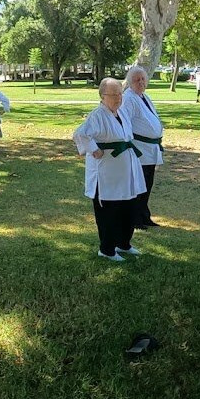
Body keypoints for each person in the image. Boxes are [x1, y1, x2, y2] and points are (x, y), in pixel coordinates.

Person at [73, 77, 146, 261]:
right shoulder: (97, 115)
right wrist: (94, 149)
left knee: (128, 207)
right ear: (102, 96)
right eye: (113, 95)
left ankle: (123, 243)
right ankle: (106, 249)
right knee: (110, 211)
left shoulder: (121, 113)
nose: (118, 98)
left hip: (125, 170)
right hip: (107, 173)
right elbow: (80, 134)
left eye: (120, 94)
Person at [121, 66, 164, 229]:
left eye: (143, 79)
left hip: (150, 149)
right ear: (130, 82)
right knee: (140, 185)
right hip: (140, 149)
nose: (140, 82)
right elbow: (125, 122)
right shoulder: (129, 98)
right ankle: (136, 219)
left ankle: (144, 216)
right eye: (136, 80)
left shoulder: (144, 97)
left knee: (147, 184)